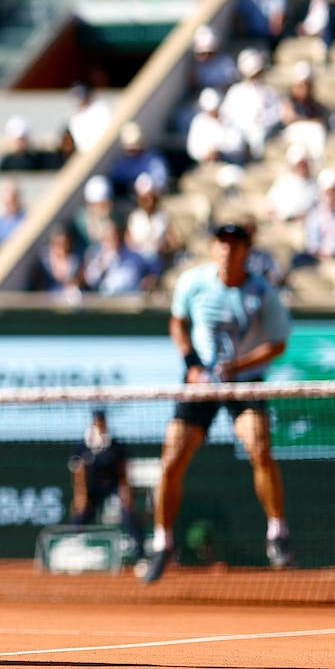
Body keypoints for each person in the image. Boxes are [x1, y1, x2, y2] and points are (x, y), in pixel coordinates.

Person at [141, 220, 292, 584]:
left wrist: (237, 366)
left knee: (259, 446)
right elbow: (177, 323)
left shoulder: (262, 293)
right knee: (172, 459)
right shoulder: (193, 282)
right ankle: (162, 541)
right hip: (200, 383)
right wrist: (192, 363)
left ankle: (277, 530)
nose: (228, 250)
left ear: (246, 251)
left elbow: (277, 344)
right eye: (222, 243)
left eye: (235, 244)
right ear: (213, 248)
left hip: (244, 384)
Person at [68, 408, 143, 556]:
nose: (100, 423)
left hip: (113, 485)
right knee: (80, 513)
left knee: (128, 513)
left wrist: (125, 491)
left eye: (102, 420)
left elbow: (123, 470)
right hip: (92, 487)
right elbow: (78, 471)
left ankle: (140, 553)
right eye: (97, 420)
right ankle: (72, 547)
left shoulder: (115, 444)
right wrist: (80, 496)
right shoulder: (83, 444)